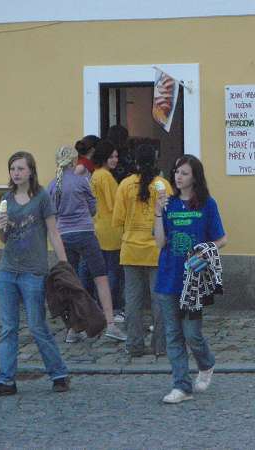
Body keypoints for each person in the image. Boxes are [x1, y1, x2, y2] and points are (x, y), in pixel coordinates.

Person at [0, 151, 70, 396]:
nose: (16, 173)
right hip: (8, 271)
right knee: (8, 327)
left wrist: (64, 263)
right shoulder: (6, 198)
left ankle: (59, 373)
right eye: (13, 169)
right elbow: (4, 238)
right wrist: (2, 227)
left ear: (31, 171)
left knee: (37, 326)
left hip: (33, 271)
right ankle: (6, 379)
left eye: (20, 169)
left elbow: (53, 232)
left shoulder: (41, 197)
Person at [154, 155, 227, 403]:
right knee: (173, 334)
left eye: (184, 173)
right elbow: (160, 242)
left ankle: (206, 363)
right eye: (176, 172)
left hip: (193, 281)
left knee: (192, 334)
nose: (178, 176)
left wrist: (205, 251)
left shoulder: (207, 204)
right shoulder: (169, 203)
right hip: (168, 277)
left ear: (195, 177)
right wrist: (157, 214)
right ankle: (182, 386)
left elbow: (221, 239)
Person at [48, 146, 126, 343]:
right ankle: (110, 324)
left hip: (63, 236)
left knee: (71, 282)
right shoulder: (81, 181)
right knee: (101, 277)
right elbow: (92, 208)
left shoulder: (52, 185)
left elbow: (52, 213)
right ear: (75, 161)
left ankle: (74, 328)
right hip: (85, 233)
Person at [112, 143, 171, 357]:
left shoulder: (125, 185)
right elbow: (170, 216)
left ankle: (134, 344)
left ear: (135, 162)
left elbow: (118, 219)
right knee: (160, 300)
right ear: (155, 161)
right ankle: (161, 346)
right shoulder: (163, 185)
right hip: (157, 251)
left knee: (133, 301)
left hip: (131, 250)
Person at [90, 139, 125, 322]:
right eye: (111, 156)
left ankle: (102, 307)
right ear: (104, 157)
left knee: (102, 272)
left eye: (116, 156)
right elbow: (115, 205)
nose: (115, 160)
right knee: (113, 272)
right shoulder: (106, 177)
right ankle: (112, 309)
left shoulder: (95, 175)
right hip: (112, 229)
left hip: (99, 226)